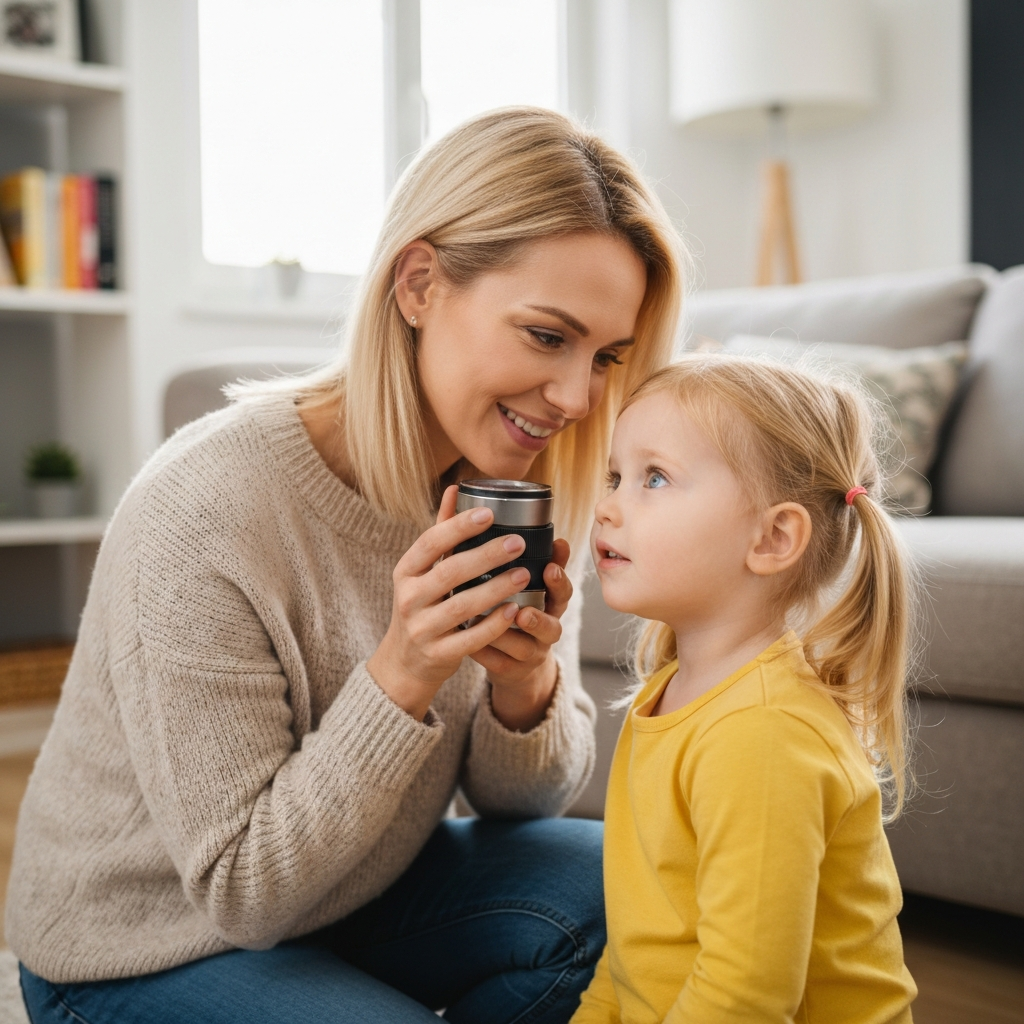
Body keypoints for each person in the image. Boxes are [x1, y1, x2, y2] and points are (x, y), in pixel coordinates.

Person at [7, 108, 686, 1024]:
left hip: (358, 893)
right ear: (418, 283)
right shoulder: (208, 508)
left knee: (629, 901)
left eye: (605, 356)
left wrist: (521, 687)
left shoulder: (504, 484)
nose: (575, 397)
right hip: (142, 945)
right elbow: (246, 892)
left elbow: (522, 801)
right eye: (544, 336)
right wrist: (404, 671)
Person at [572, 355, 919, 1023]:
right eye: (614, 476)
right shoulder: (674, 689)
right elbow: (631, 955)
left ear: (773, 537)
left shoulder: (762, 733)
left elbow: (745, 998)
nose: (608, 505)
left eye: (654, 478)